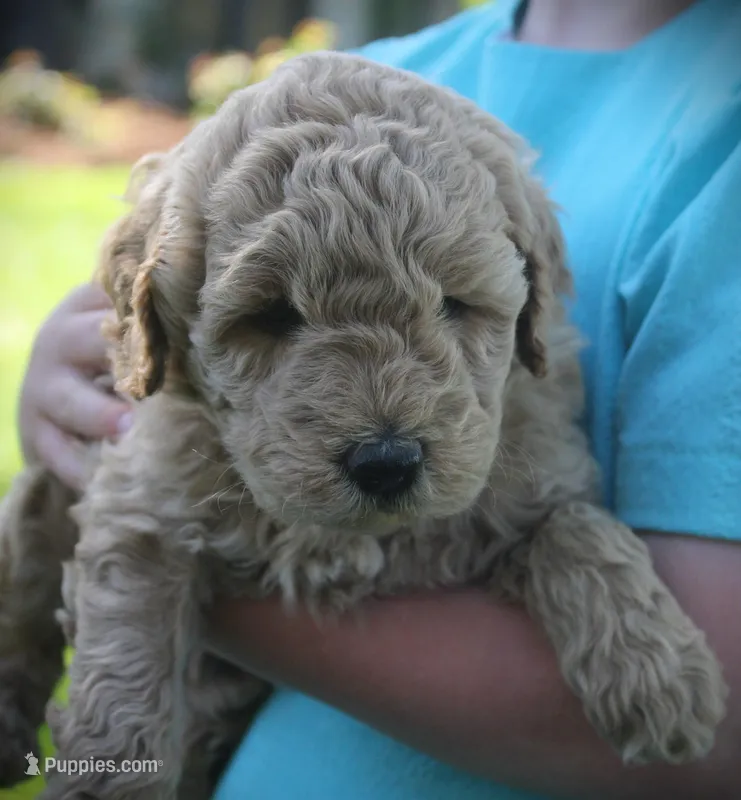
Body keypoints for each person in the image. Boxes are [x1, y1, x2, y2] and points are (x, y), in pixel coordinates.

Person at [17, 0, 741, 797]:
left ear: (532, 306)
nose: (381, 420)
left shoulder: (714, 144)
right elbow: (132, 517)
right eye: (273, 317)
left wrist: (579, 562)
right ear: (167, 319)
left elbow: (716, 746)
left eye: (453, 307)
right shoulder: (415, 59)